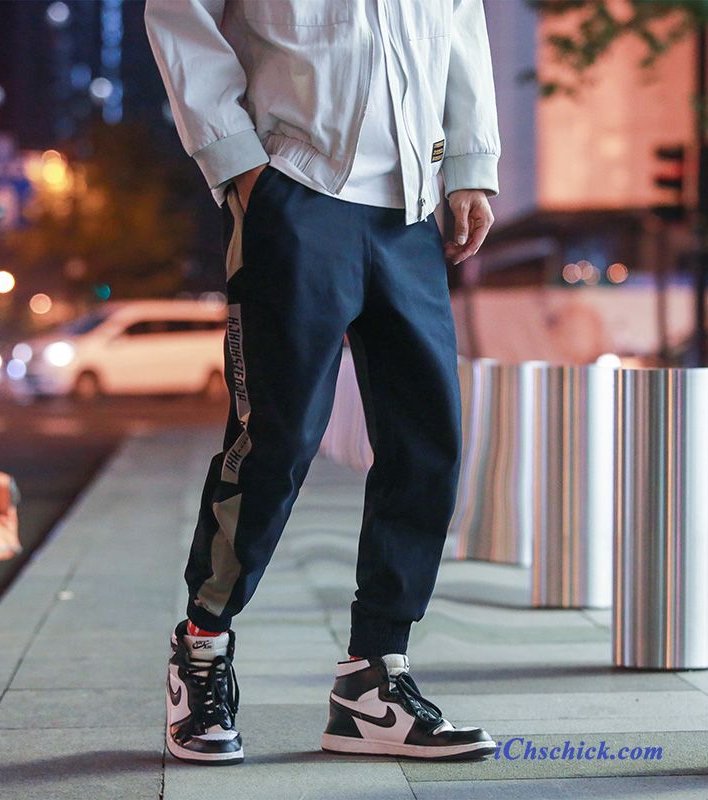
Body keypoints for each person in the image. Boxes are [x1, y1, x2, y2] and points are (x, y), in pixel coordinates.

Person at [145, 0, 501, 766]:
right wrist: (238, 164)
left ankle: (373, 680)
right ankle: (202, 647)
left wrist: (471, 165)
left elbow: (462, 29)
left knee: (427, 446)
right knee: (275, 442)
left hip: (411, 210)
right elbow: (178, 15)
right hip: (295, 193)